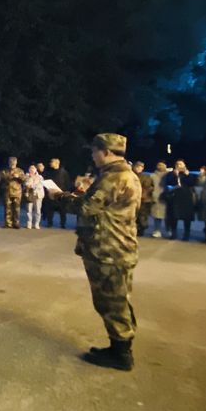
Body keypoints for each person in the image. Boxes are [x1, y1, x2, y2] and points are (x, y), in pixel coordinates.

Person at [56, 134, 140, 371]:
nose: (92, 156)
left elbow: (87, 207)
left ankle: (121, 354)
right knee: (117, 299)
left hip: (109, 248)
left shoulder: (114, 177)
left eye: (94, 151)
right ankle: (118, 347)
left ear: (106, 152)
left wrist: (59, 196)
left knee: (112, 301)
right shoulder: (126, 174)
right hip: (118, 246)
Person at [163, 160, 195, 241]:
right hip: (175, 197)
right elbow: (167, 183)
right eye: (177, 164)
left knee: (187, 218)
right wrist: (175, 175)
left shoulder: (189, 174)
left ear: (184, 165)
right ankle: (174, 233)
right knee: (174, 216)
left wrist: (187, 175)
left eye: (181, 164)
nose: (179, 165)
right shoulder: (171, 174)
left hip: (186, 197)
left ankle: (186, 234)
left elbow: (192, 183)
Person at [44, 158, 71, 228]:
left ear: (56, 163)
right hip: (51, 193)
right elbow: (46, 180)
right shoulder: (49, 172)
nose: (50, 163)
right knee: (50, 209)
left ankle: (63, 224)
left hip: (61, 193)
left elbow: (67, 183)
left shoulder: (63, 172)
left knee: (62, 210)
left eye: (52, 162)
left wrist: (65, 192)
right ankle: (50, 223)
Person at [1, 157, 26, 229]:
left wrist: (18, 177)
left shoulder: (20, 171)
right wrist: (11, 176)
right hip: (7, 192)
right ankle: (8, 223)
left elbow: (24, 179)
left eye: (13, 162)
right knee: (7, 208)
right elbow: (2, 178)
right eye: (10, 162)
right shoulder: (5, 170)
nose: (12, 163)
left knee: (16, 209)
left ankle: (16, 223)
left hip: (17, 192)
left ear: (16, 162)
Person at [132, 161, 154, 237]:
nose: (138, 168)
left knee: (142, 216)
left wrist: (143, 193)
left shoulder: (146, 176)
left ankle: (142, 228)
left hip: (143, 200)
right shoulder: (130, 175)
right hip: (132, 199)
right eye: (137, 166)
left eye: (140, 167)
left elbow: (149, 187)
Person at [149, 161, 168, 237]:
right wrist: (152, 192)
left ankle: (169, 231)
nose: (161, 167)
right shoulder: (152, 176)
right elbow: (149, 186)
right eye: (159, 165)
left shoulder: (168, 175)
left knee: (168, 216)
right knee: (157, 216)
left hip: (167, 197)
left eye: (162, 165)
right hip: (156, 197)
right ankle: (157, 230)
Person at [24, 165, 44, 229]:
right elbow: (25, 184)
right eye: (30, 168)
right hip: (29, 195)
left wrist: (32, 186)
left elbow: (40, 185)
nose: (32, 170)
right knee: (29, 210)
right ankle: (29, 223)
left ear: (36, 170)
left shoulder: (40, 177)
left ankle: (37, 223)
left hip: (38, 195)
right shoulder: (26, 176)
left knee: (37, 210)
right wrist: (29, 178)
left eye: (33, 168)